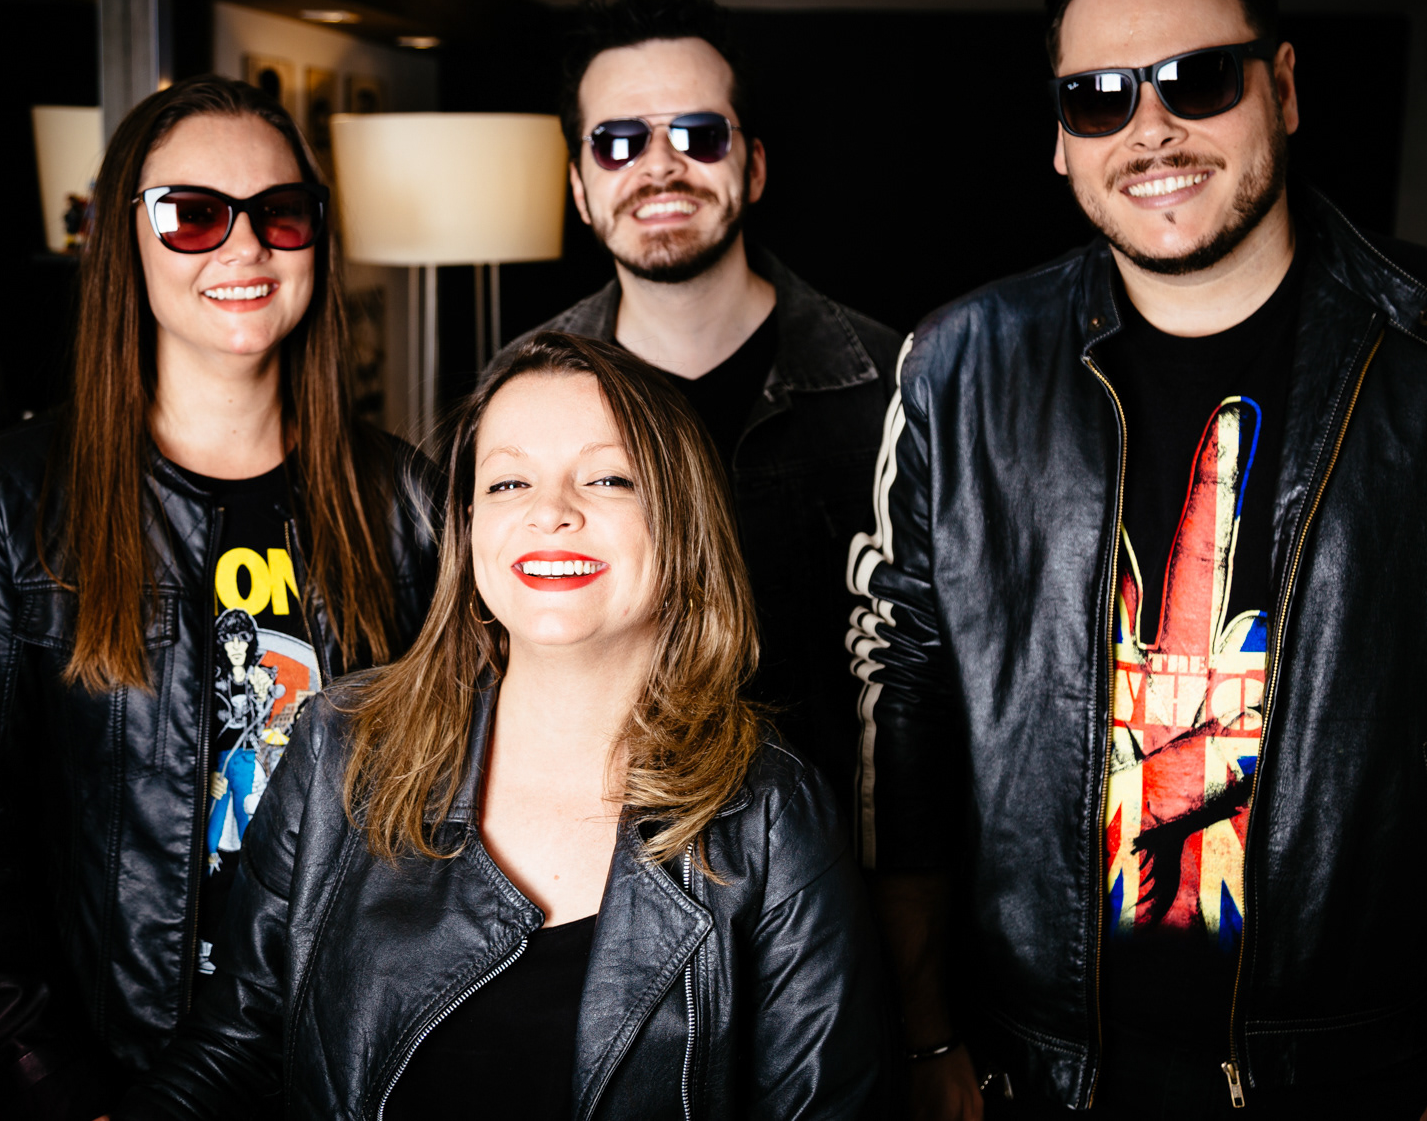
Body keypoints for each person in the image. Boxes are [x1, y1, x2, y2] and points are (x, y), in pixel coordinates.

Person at [847, 0, 1427, 1120]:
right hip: (1030, 1069)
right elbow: (902, 706)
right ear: (1059, 138)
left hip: (1356, 1070)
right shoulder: (956, 365)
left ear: (1284, 88)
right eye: (1097, 98)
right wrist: (920, 1032)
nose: (1149, 127)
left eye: (1197, 79)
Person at [117, 332, 891, 1120]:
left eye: (608, 477)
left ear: (683, 521)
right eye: (510, 481)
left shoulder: (773, 817)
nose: (550, 511)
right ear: (470, 527)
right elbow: (234, 1051)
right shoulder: (340, 745)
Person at [0, 76, 440, 1121]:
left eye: (280, 213)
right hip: (119, 1066)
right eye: (193, 215)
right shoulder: (12, 500)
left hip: (350, 1062)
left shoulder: (404, 501)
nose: (245, 247)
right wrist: (52, 1084)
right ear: (127, 240)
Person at [497, 0, 902, 803]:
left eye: (699, 135)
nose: (659, 166)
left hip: (842, 849)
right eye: (617, 142)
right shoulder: (513, 395)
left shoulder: (900, 383)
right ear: (578, 187)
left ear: (753, 168)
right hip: (600, 847)